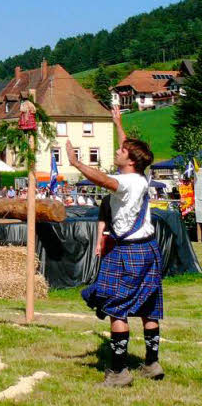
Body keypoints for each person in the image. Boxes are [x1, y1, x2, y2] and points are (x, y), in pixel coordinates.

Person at [68, 105, 162, 387]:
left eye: (122, 151)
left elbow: (103, 179)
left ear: (131, 160)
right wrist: (117, 122)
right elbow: (127, 150)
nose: (118, 151)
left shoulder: (125, 182)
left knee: (116, 308)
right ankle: (152, 363)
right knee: (149, 307)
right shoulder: (142, 177)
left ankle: (119, 372)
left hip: (129, 251)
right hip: (149, 250)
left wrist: (76, 163)